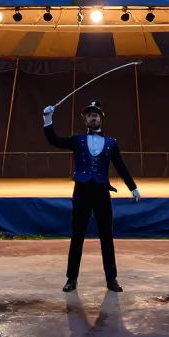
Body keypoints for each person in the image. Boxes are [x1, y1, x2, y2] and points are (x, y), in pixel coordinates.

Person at [43, 100, 139, 293]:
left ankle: (111, 279)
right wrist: (48, 118)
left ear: (101, 118)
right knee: (77, 236)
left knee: (106, 236)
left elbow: (120, 165)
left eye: (95, 115)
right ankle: (71, 279)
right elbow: (54, 140)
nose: (92, 117)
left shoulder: (111, 143)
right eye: (89, 115)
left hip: (102, 192)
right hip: (82, 192)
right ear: (85, 120)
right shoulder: (77, 140)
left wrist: (132, 187)